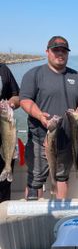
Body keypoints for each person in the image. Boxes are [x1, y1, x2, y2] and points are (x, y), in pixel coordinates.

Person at [20, 36, 78, 200]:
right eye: (56, 50)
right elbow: (25, 100)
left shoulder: (77, 77)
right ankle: (32, 219)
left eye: (64, 50)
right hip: (40, 140)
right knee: (35, 181)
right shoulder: (34, 74)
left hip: (67, 140)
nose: (60, 53)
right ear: (47, 51)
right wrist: (40, 115)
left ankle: (59, 216)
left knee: (62, 178)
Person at [0, 63, 20, 202]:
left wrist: (11, 103)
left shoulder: (3, 69)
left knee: (3, 186)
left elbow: (17, 96)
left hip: (4, 136)